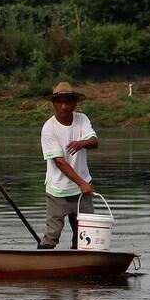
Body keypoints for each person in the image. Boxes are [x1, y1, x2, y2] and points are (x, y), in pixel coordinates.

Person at [39, 82, 98, 249]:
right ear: (54, 104)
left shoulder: (82, 119)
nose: (63, 106)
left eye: (68, 102)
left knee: (86, 235)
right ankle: (43, 261)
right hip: (59, 190)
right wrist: (82, 183)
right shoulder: (49, 128)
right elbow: (59, 162)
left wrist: (82, 143)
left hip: (81, 189)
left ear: (74, 103)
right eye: (59, 102)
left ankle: (81, 263)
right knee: (53, 234)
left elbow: (94, 142)